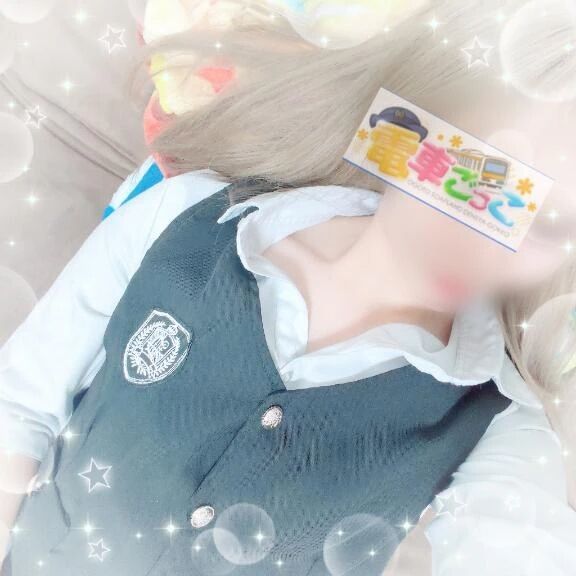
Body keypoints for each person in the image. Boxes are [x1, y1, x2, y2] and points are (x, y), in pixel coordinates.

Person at [1, 1, 576, 574]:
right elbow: (20, 407)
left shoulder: (502, 420)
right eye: (490, 180)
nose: (487, 242)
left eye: (548, 225)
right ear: (409, 122)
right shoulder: (181, 216)